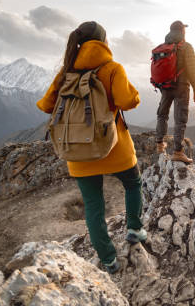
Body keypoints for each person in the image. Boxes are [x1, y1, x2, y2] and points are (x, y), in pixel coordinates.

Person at [36, 21, 146, 274]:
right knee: (132, 183)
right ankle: (135, 229)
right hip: (113, 148)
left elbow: (45, 105)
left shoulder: (66, 72)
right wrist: (133, 93)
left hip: (78, 152)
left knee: (94, 205)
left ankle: (108, 259)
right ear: (103, 42)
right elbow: (128, 100)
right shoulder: (112, 68)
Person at [155, 20, 195, 163]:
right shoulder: (186, 47)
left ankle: (159, 144)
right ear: (182, 31)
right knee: (180, 118)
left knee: (162, 114)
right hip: (181, 87)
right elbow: (192, 69)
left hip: (165, 86)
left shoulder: (162, 47)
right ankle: (178, 151)